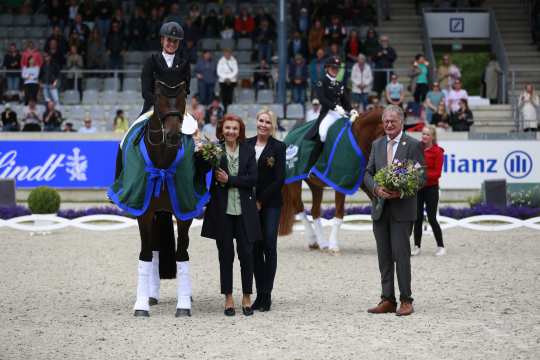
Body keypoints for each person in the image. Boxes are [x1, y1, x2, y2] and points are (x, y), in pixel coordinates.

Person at [363, 105, 425, 316]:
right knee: (384, 257)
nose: (389, 125)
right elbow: (367, 173)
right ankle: (387, 299)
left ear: (401, 122)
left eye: (393, 121)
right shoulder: (377, 144)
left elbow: (421, 177)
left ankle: (406, 299)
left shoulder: (414, 145)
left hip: (402, 209)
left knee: (401, 255)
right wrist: (376, 188)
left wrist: (402, 191)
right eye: (386, 121)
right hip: (380, 209)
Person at [201, 114, 262, 316]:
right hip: (222, 212)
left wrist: (230, 180)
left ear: (240, 131)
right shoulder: (214, 150)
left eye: (235, 128)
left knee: (246, 255)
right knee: (225, 256)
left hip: (245, 212)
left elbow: (253, 179)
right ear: (222, 129)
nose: (231, 132)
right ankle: (228, 297)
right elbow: (199, 169)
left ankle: (246, 295)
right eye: (227, 128)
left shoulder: (248, 150)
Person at [246, 109, 286, 312]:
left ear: (273, 126)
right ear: (256, 121)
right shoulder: (246, 144)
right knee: (254, 248)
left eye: (267, 122)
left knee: (269, 245)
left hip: (270, 204)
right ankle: (259, 292)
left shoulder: (278, 147)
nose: (263, 124)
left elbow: (280, 179)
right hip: (250, 204)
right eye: (261, 120)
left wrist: (261, 200)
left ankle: (266, 294)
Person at [141, 22, 190, 115]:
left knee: (193, 127)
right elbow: (145, 92)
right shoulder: (151, 61)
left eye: (175, 41)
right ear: (162, 40)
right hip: (153, 106)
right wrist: (161, 103)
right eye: (169, 40)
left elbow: (186, 89)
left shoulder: (184, 63)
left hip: (176, 108)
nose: (172, 44)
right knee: (136, 129)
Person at [412, 125, 445, 257]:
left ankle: (441, 246)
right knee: (417, 218)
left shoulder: (438, 152)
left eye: (427, 134)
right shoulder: (417, 148)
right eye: (423, 134)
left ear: (433, 137)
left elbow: (437, 173)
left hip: (431, 188)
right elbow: (412, 164)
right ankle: (417, 246)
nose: (424, 136)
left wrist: (421, 173)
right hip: (418, 188)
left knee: (432, 218)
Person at [305, 56, 354, 144]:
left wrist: (352, 110)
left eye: (337, 68)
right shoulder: (322, 81)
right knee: (322, 134)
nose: (335, 70)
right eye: (333, 68)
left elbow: (345, 101)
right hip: (328, 113)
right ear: (327, 68)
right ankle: (317, 157)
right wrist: (335, 107)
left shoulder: (339, 84)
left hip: (340, 113)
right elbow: (322, 99)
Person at [217, 48, 238, 113]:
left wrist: (229, 78)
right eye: (226, 53)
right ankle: (224, 110)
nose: (227, 55)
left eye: (229, 53)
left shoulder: (234, 60)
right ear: (224, 54)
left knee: (230, 95)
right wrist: (225, 78)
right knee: (224, 96)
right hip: (223, 81)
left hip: (231, 81)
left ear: (230, 54)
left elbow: (235, 71)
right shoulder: (221, 61)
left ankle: (230, 109)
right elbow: (219, 71)